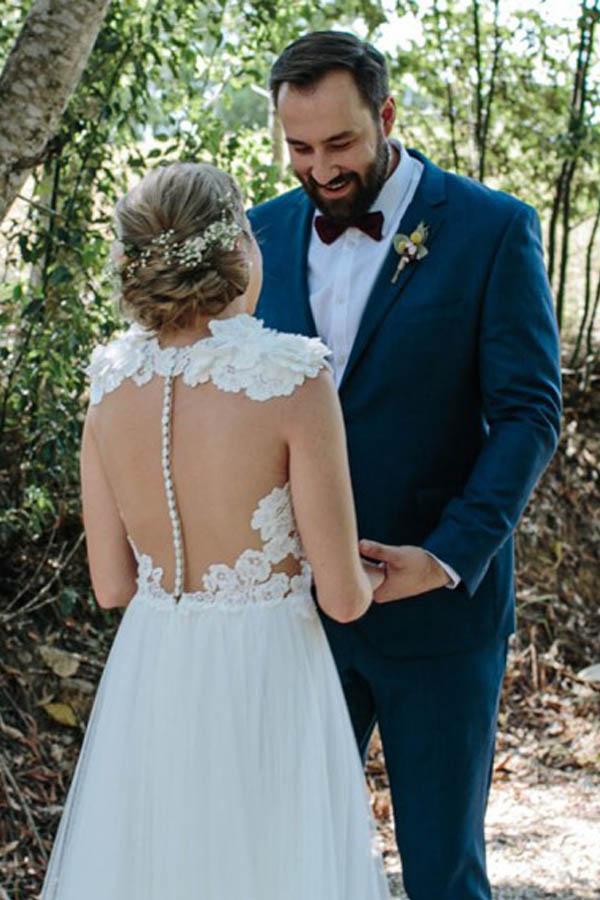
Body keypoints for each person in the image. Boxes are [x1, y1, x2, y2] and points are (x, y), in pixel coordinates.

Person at [247, 30, 562, 900]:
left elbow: (531, 413)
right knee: (296, 864)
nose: (320, 168)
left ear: (387, 116)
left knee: (441, 872)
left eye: (341, 143)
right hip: (296, 615)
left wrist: (450, 554)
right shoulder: (258, 234)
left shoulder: (495, 229)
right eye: (300, 147)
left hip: (437, 616)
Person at [40, 161, 391, 900]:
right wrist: (399, 572)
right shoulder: (293, 375)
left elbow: (110, 585)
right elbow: (344, 598)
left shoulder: (107, 380)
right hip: (267, 670)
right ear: (236, 243)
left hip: (153, 665)